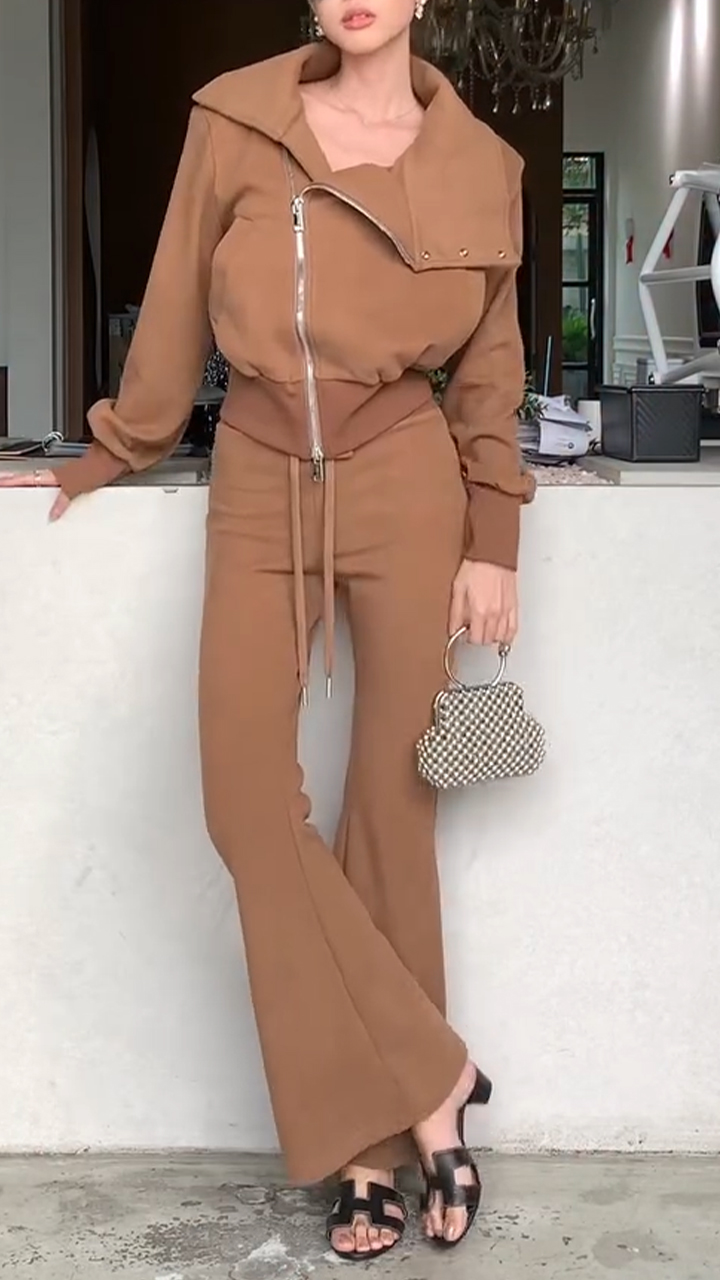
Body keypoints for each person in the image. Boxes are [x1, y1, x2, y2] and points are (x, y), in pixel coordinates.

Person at [0, 0, 534, 1259]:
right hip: (257, 466)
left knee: (391, 809)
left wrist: (494, 537)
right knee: (248, 802)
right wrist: (115, 446)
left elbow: (491, 367)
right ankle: (434, 1078)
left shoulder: (482, 165)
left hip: (407, 475)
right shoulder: (237, 119)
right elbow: (174, 297)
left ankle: (367, 1155)